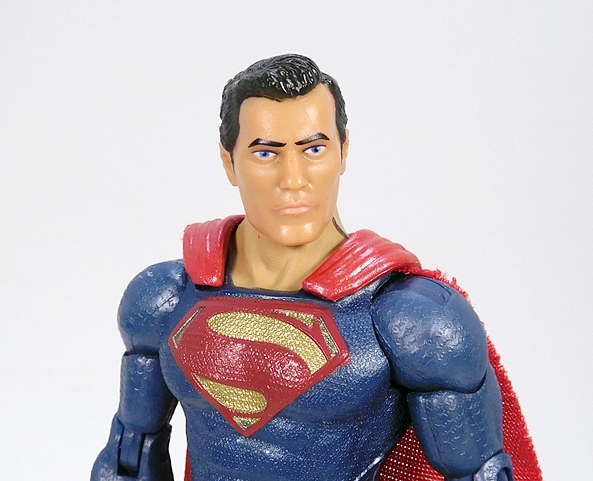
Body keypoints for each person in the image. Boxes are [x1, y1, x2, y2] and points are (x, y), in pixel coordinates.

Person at [92, 54, 541, 481]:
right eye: (266, 153)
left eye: (314, 149)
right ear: (229, 162)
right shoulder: (165, 298)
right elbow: (129, 458)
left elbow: (479, 472)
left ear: (343, 152)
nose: (293, 179)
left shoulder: (410, 320)